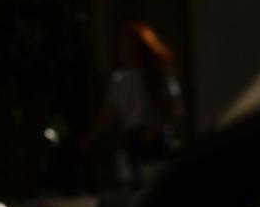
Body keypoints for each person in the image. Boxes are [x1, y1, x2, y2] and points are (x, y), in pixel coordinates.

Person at [79, 22, 184, 187]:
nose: (126, 50)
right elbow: (109, 113)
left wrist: (156, 129)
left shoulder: (157, 75)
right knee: (133, 185)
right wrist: (91, 138)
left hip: (153, 137)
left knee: (155, 184)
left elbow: (172, 105)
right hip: (131, 138)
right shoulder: (120, 79)